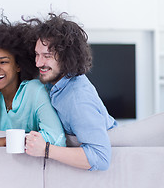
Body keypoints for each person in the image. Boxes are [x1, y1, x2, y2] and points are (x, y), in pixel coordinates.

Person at [25, 13, 117, 171]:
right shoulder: (54, 83)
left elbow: (101, 158)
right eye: (37, 54)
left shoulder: (77, 98)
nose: (38, 63)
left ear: (67, 58)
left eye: (47, 56)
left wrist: (46, 149)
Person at [0, 16, 66, 148]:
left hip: (30, 162)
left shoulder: (34, 90)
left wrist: (4, 140)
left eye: (3, 62)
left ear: (18, 65)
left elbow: (56, 138)